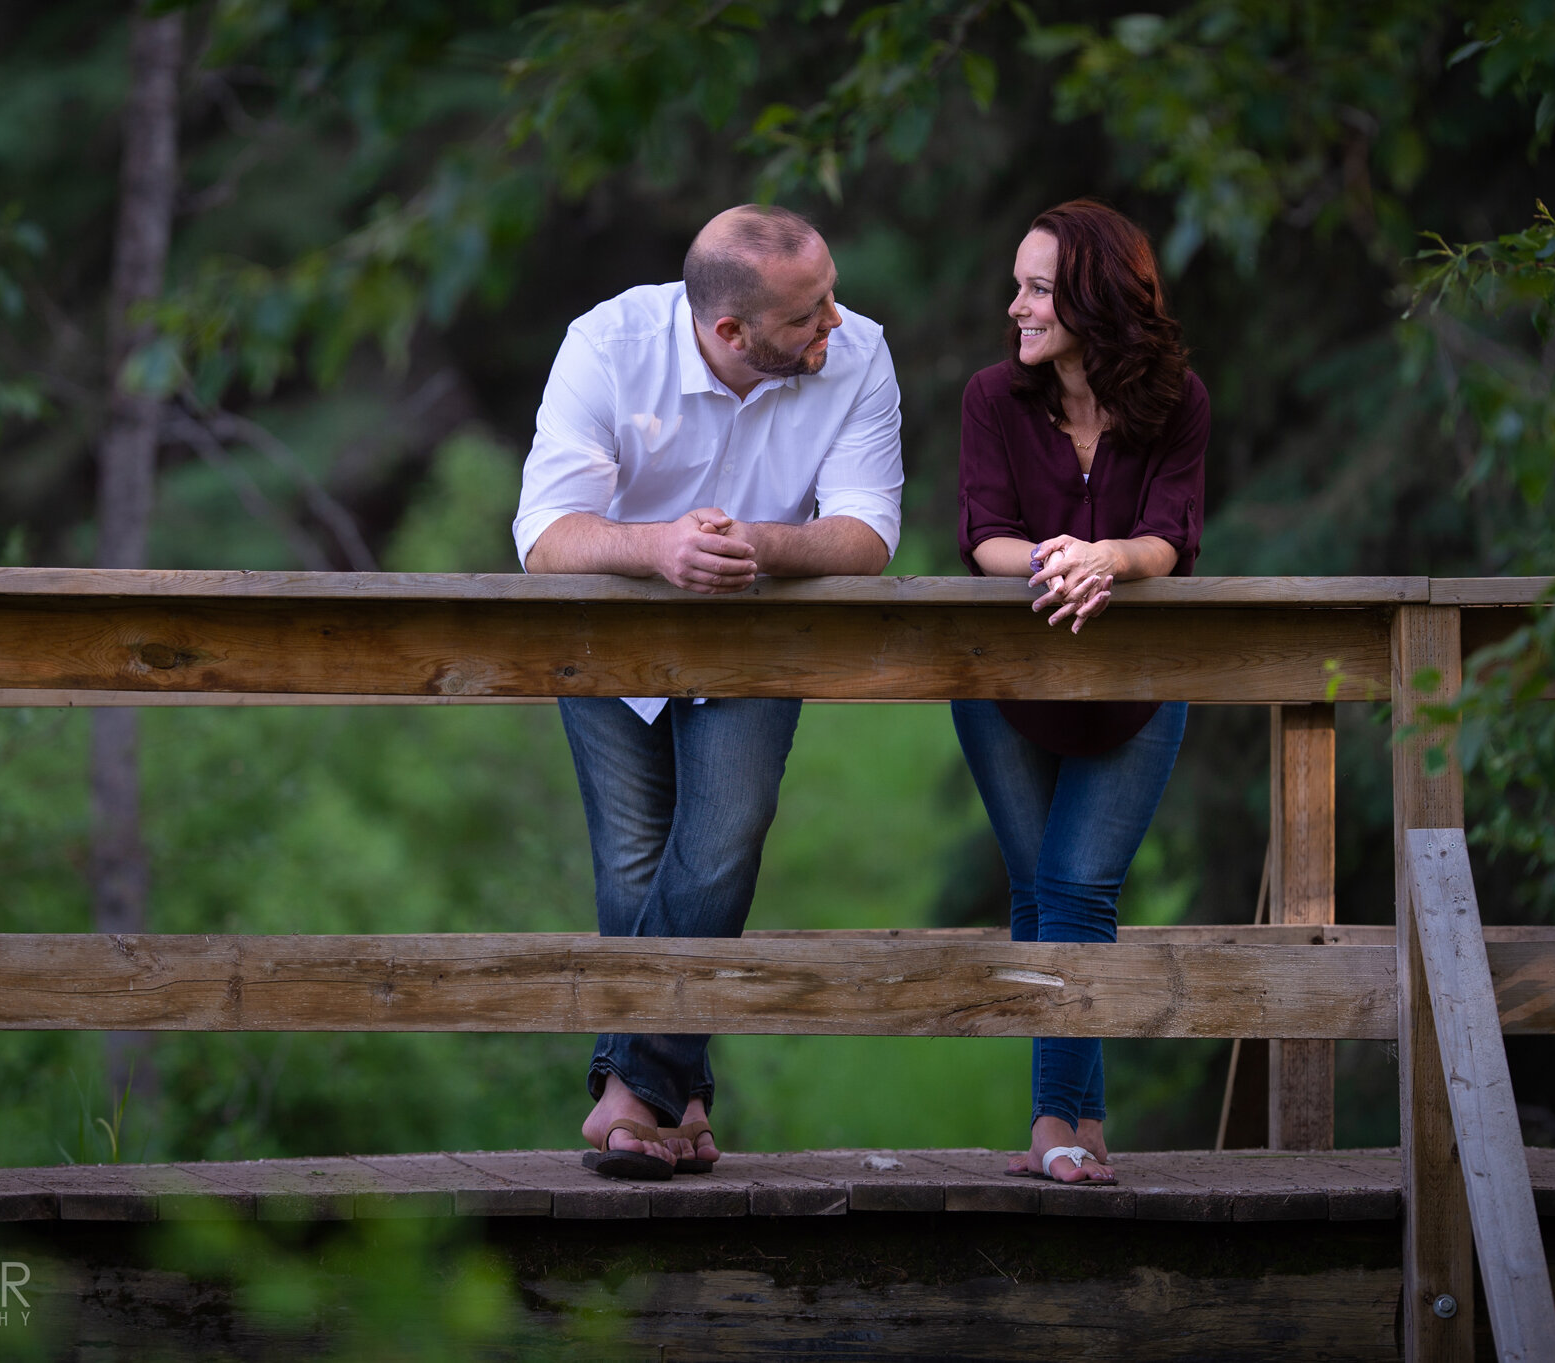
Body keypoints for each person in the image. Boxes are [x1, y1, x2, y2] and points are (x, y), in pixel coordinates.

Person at [513, 204, 904, 1179]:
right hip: (608, 636)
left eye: (830, 296)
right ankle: (673, 1103)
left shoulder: (858, 354)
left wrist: (755, 543)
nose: (834, 325)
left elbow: (865, 535)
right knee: (632, 866)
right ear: (728, 331)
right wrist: (658, 546)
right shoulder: (607, 345)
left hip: (755, 633)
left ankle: (630, 1091)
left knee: (724, 833)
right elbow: (546, 536)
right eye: (807, 314)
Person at [953, 199, 1209, 1185]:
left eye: (1034, 288)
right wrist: (1061, 562)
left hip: (1139, 687)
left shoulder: (1177, 399)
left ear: (1094, 301)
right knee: (1047, 894)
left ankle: (1055, 1127)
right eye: (1014, 284)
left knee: (1071, 888)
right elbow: (981, 536)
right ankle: (1074, 1128)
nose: (1012, 305)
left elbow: (1172, 536)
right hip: (1004, 686)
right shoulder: (991, 398)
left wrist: (1112, 556)